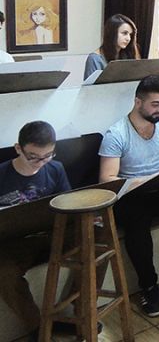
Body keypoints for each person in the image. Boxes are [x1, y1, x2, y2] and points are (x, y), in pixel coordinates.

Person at [99, 75, 159, 318]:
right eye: (155, 104)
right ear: (138, 102)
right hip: (131, 196)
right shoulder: (117, 133)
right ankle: (149, 286)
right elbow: (107, 180)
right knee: (137, 221)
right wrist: (147, 180)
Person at [0, 121, 75, 340]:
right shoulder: (2, 174)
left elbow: (69, 205)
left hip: (51, 234)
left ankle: (77, 314)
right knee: (3, 273)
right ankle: (39, 329)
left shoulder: (55, 168)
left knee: (98, 240)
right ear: (18, 148)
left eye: (47, 156)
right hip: (14, 242)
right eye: (33, 157)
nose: (40, 163)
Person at [84, 13, 140, 79]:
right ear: (112, 33)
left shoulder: (126, 55)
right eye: (124, 33)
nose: (128, 38)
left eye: (130, 34)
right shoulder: (95, 59)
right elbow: (90, 85)